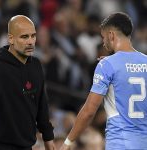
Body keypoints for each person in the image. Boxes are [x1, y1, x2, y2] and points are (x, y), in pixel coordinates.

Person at [59, 12, 147, 150]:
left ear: (111, 35)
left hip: (119, 143)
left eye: (103, 37)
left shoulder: (106, 65)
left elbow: (89, 111)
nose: (103, 42)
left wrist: (68, 142)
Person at [0, 15, 56, 150]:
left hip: (28, 146)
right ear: (11, 38)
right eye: (24, 37)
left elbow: (42, 105)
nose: (30, 42)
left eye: (33, 36)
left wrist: (48, 138)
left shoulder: (36, 65)